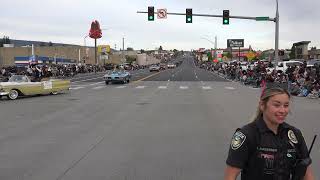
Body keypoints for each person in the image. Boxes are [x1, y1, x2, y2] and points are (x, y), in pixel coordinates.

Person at [224, 85, 315, 180]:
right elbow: (230, 176)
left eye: (286, 105)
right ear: (262, 105)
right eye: (276, 105)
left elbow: (307, 172)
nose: (282, 110)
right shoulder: (246, 135)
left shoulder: (294, 134)